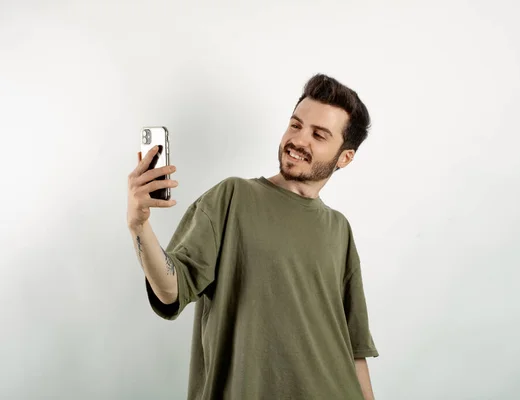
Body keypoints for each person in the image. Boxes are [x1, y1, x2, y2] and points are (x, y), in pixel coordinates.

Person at [126, 74, 379, 400]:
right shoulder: (233, 197)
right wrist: (138, 226)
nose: (300, 140)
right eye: (296, 125)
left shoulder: (339, 229)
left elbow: (354, 348)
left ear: (344, 157)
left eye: (319, 135)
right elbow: (170, 291)